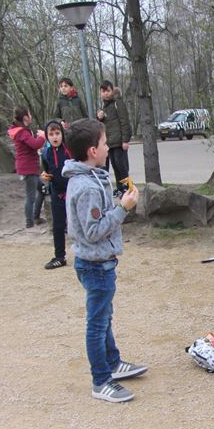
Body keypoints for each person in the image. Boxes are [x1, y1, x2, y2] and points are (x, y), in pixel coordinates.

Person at [63, 118, 148, 403]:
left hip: (101, 263)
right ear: (91, 151)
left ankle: (112, 362)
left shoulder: (93, 176)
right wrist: (123, 209)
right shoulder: (86, 187)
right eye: (103, 143)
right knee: (97, 323)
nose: (107, 146)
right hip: (95, 265)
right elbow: (94, 231)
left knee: (104, 317)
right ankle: (101, 380)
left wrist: (117, 202)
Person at [7, 107, 46, 229]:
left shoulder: (20, 131)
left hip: (29, 167)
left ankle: (35, 217)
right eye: (29, 113)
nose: (31, 115)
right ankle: (30, 222)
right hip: (28, 168)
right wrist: (43, 137)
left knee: (43, 189)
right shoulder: (22, 132)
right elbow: (35, 144)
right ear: (25, 117)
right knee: (31, 196)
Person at [40, 119, 70, 269]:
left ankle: (87, 253)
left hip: (72, 192)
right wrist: (44, 177)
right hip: (56, 193)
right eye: (51, 134)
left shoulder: (69, 150)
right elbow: (46, 172)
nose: (55, 137)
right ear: (47, 136)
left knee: (78, 224)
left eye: (57, 133)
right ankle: (60, 257)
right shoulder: (45, 153)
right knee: (58, 226)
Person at [96, 80, 132, 195]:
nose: (105, 93)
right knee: (115, 166)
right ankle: (120, 188)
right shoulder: (103, 106)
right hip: (109, 143)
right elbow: (101, 126)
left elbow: (125, 122)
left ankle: (126, 187)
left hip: (119, 141)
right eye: (103, 91)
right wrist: (99, 118)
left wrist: (125, 140)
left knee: (122, 167)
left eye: (107, 91)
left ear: (112, 91)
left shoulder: (118, 103)